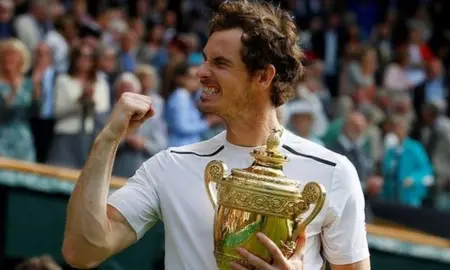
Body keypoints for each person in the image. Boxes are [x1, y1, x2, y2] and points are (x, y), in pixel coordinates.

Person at [62, 1, 370, 270]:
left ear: (263, 76)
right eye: (205, 59)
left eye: (220, 63)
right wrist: (107, 141)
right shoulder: (169, 166)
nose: (201, 72)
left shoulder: (334, 172)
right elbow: (84, 251)